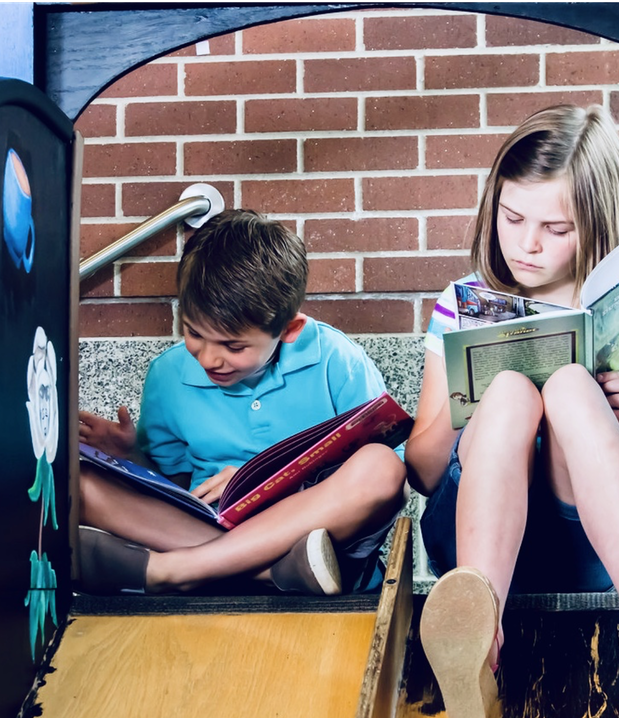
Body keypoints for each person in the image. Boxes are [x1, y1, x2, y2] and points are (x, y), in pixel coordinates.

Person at [404, 104, 619, 718]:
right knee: (509, 393)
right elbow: (420, 471)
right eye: (512, 217)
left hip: (586, 542)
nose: (527, 243)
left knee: (573, 387)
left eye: (555, 228)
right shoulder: (460, 305)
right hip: (471, 540)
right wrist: (473, 382)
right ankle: (480, 645)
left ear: (597, 224)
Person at [78, 209, 408, 597]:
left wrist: (267, 487)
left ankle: (175, 569)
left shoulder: (337, 359)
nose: (208, 359)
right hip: (212, 530)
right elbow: (174, 488)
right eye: (194, 333)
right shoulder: (167, 376)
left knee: (383, 467)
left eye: (233, 346)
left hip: (315, 536)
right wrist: (131, 456)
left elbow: (390, 479)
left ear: (289, 330)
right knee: (78, 483)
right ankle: (268, 573)